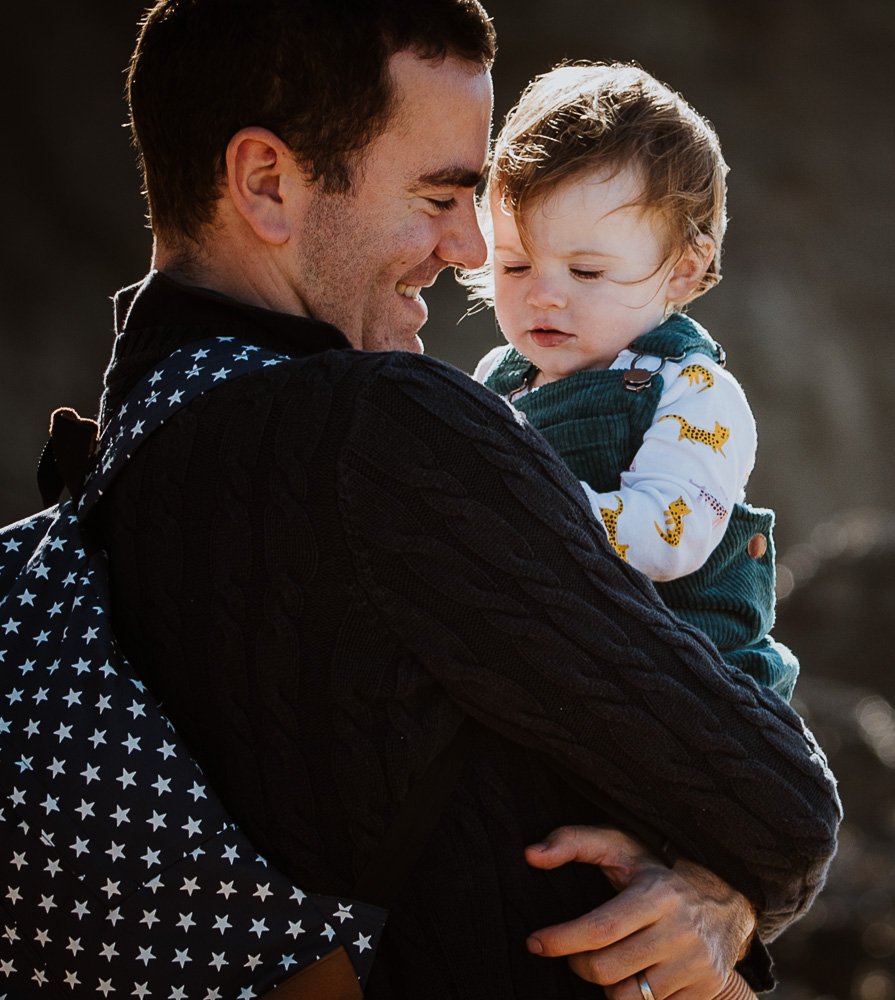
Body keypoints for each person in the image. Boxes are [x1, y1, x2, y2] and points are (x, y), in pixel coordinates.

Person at [80, 1, 840, 997]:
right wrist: (723, 881)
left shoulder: (121, 453)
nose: (473, 249)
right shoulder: (381, 434)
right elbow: (778, 799)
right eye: (441, 194)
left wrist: (722, 885)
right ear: (268, 183)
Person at [473, 63, 798, 700]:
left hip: (697, 683)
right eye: (514, 265)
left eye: (586, 273)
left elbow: (666, 534)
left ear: (680, 270)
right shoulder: (498, 381)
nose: (543, 295)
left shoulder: (694, 393)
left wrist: (516, 513)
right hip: (566, 660)